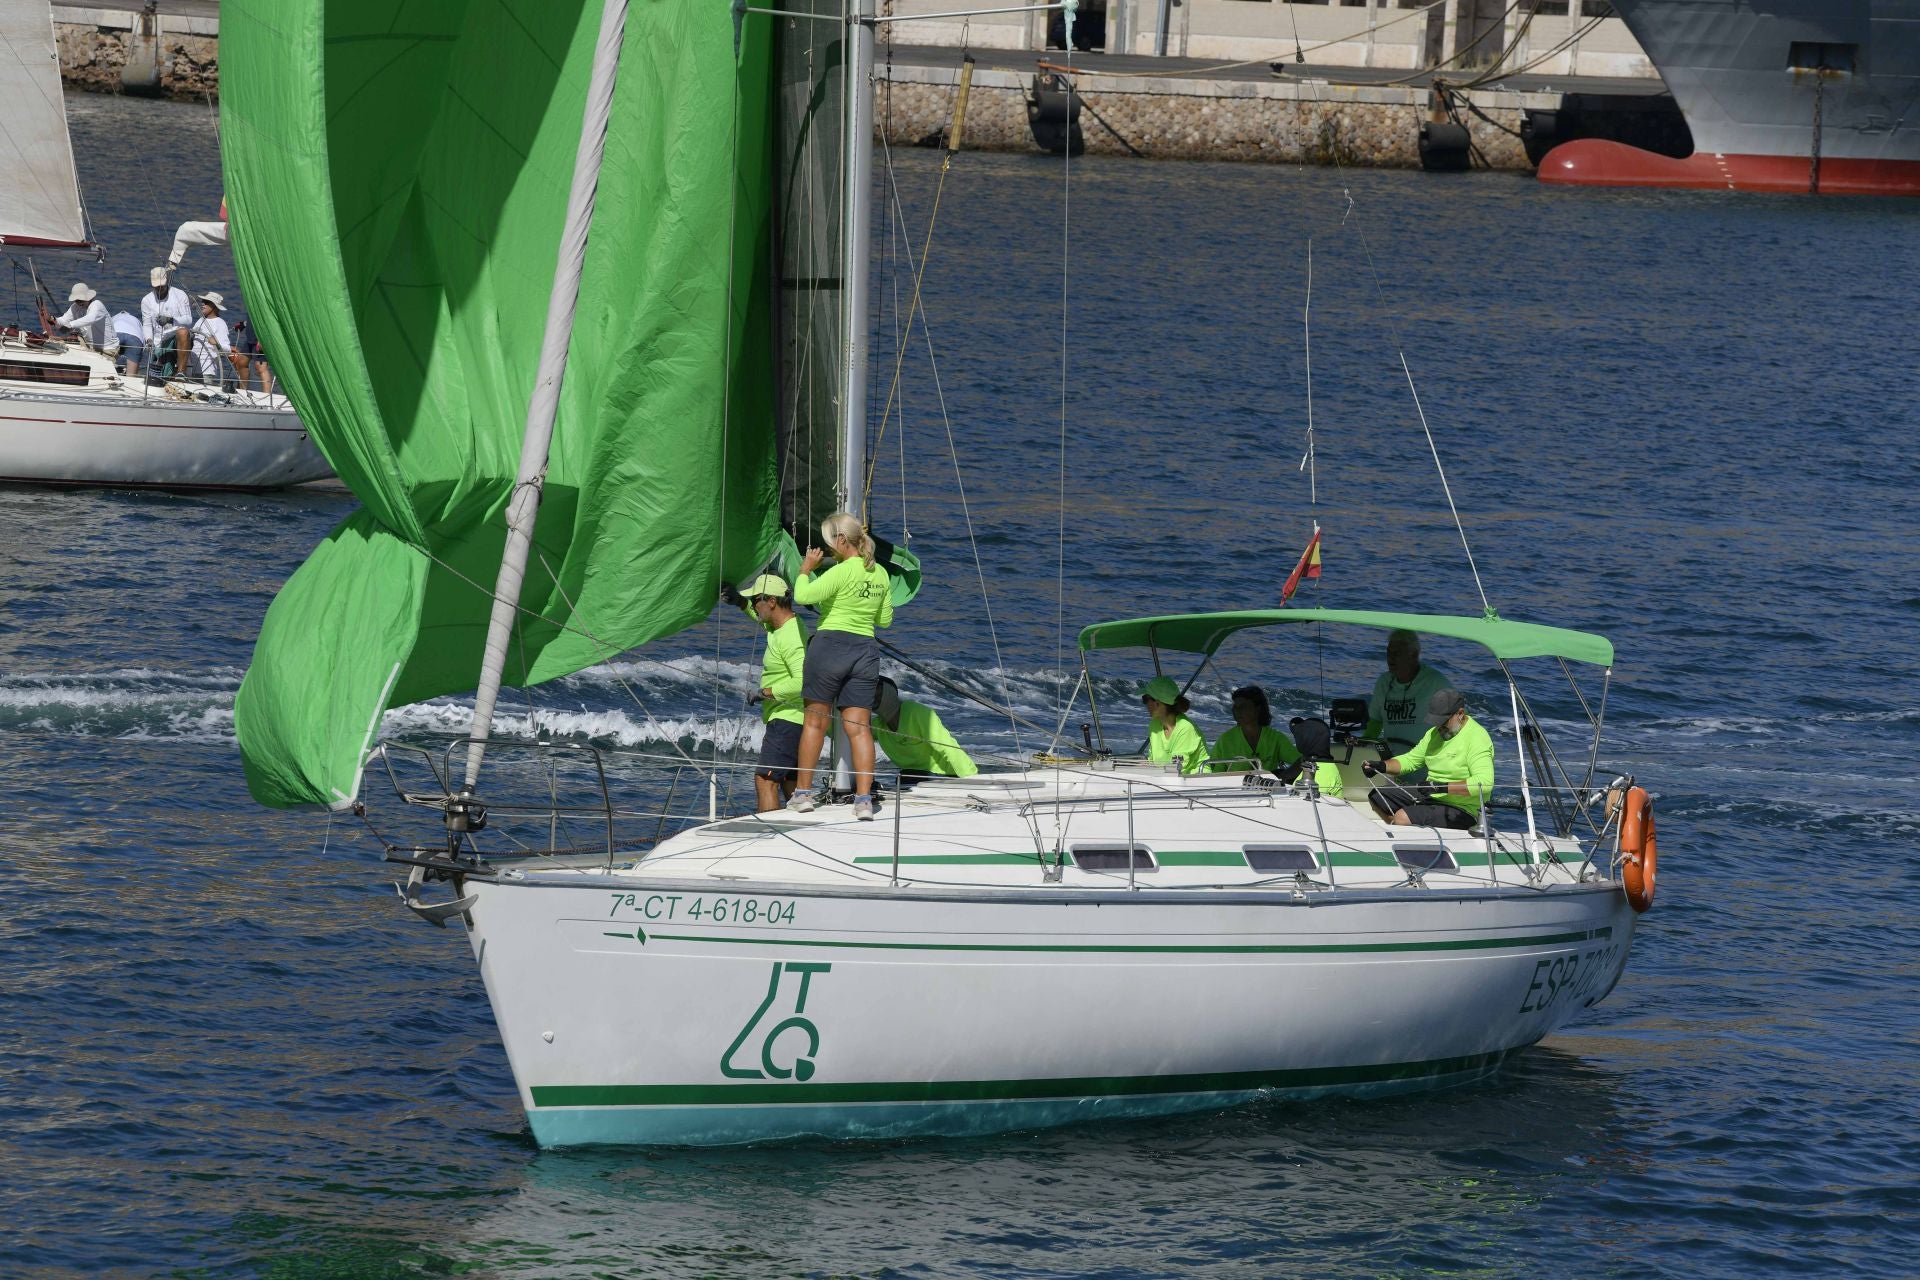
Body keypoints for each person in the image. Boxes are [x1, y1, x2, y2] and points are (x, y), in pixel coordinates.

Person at [789, 512, 894, 819]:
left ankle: (803, 794)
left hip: (830, 647)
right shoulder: (881, 574)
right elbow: (884, 620)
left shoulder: (841, 570)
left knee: (815, 723)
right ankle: (863, 800)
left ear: (842, 541)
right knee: (859, 729)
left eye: (830, 540)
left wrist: (806, 570)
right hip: (865, 650)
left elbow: (802, 595)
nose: (828, 547)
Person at [730, 574, 807, 813]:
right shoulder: (780, 625)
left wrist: (767, 692)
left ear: (772, 601)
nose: (754, 605)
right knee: (789, 784)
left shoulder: (791, 637)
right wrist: (740, 602)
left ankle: (769, 838)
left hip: (788, 719)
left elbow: (803, 681)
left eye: (756, 600)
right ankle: (796, 837)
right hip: (791, 719)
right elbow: (761, 619)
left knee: (765, 780)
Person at [1362, 689, 1494, 829]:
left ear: (1460, 714)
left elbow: (1485, 783)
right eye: (1435, 722)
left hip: (1464, 809)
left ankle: (1401, 829)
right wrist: (1381, 766)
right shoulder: (1433, 734)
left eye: (1443, 722)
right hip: (1433, 796)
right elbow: (1411, 760)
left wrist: (1440, 787)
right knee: (1377, 796)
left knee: (1402, 817)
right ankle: (1400, 831)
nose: (1438, 727)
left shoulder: (1477, 738)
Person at [1364, 629, 1454, 755]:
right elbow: (1375, 723)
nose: (1390, 658)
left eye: (1397, 653)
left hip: (1424, 764)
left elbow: (1457, 724)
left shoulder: (1436, 683)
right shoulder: (1383, 683)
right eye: (1388, 653)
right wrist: (1363, 746)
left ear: (1413, 655)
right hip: (1391, 763)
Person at [872, 676, 977, 780]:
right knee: (903, 778)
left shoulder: (917, 713)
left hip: (946, 776)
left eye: (876, 689)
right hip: (914, 778)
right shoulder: (877, 725)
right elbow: (858, 739)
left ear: (889, 691)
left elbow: (948, 746)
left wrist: (971, 779)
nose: (871, 695)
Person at [1208, 685, 1291, 774]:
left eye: (1243, 706)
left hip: (1268, 787)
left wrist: (1286, 775)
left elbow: (1301, 761)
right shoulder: (1225, 740)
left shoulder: (1276, 738)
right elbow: (1214, 771)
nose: (1238, 711)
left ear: (1258, 709)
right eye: (1235, 707)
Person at [1140, 675, 1209, 774]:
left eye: (1145, 699)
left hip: (1197, 781)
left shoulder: (1186, 728)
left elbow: (1177, 768)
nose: (1145, 704)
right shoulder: (1154, 725)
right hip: (1167, 779)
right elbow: (1153, 760)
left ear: (1157, 704)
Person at [139, 267, 193, 378]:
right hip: (159, 341)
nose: (159, 289)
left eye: (161, 286)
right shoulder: (146, 300)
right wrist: (149, 340)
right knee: (161, 373)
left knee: (182, 332)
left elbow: (188, 320)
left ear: (167, 280)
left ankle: (181, 372)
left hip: (176, 337)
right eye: (156, 287)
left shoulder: (180, 295)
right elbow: (147, 324)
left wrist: (170, 319)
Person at [47, 283, 118, 360]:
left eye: (81, 300)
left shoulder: (97, 305)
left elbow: (91, 318)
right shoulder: (75, 307)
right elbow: (63, 320)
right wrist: (54, 320)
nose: (79, 303)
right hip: (89, 346)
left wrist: (70, 325)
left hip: (107, 350)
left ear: (88, 298)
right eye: (77, 300)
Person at [190, 292, 237, 387]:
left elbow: (227, 350)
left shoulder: (220, 323)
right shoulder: (200, 320)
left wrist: (216, 343)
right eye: (203, 301)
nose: (203, 304)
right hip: (192, 367)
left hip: (206, 370)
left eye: (206, 302)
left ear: (214, 306)